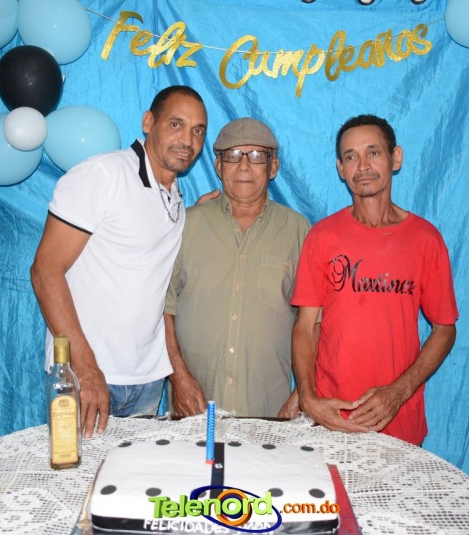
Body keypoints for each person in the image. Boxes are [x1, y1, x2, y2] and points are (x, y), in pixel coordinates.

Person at [30, 85, 208, 438]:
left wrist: (202, 213)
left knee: (131, 475)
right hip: (86, 377)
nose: (188, 140)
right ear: (148, 122)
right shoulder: (103, 174)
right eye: (176, 124)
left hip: (147, 381)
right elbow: (45, 271)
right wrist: (85, 366)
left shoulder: (173, 196)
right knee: (76, 472)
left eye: (198, 130)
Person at [290, 114, 458, 445]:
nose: (363, 166)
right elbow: (305, 328)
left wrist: (399, 392)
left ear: (396, 158)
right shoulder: (323, 237)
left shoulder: (425, 239)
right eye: (351, 157)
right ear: (341, 169)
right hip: (331, 417)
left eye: (373, 152)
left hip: (398, 419)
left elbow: (445, 330)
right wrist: (308, 398)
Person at [164, 118, 310, 418]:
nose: (244, 166)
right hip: (193, 406)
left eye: (256, 156)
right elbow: (161, 308)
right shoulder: (186, 225)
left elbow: (315, 323)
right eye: (232, 155)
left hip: (269, 410)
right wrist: (178, 378)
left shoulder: (298, 231)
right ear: (219, 166)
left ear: (273, 167)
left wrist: (302, 394)